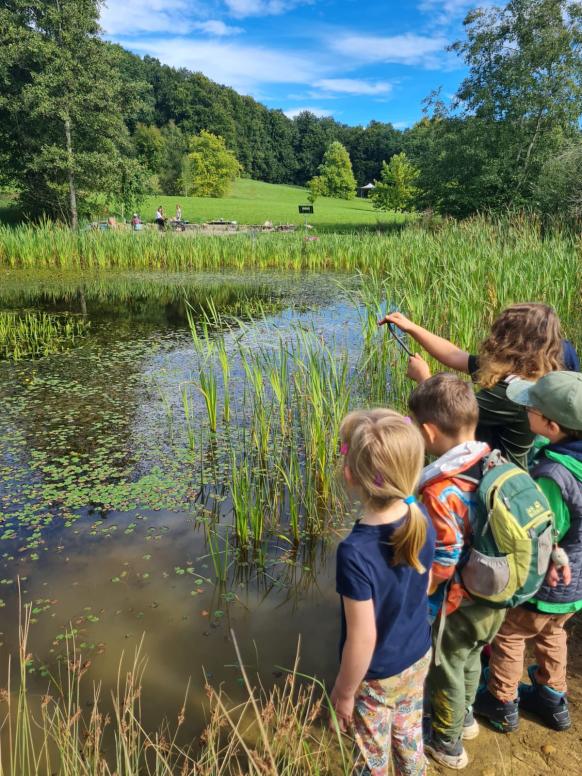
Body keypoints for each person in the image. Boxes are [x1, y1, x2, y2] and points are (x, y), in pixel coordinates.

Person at [474, 372, 582, 734]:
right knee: (553, 632)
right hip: (576, 586)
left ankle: (502, 701)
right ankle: (553, 699)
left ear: (552, 425)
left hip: (548, 582)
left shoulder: (554, 475)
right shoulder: (570, 461)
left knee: (510, 634)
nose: (525, 410)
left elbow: (543, 531)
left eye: (531, 408)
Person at [408, 374, 506, 770]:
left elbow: (446, 556)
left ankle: (447, 744)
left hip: (459, 601)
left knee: (446, 665)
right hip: (496, 590)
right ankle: (465, 719)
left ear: (429, 432)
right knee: (470, 657)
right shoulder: (492, 461)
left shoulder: (440, 489)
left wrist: (423, 591)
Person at [332, 409, 435, 776]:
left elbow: (362, 638)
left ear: (350, 475)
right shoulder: (421, 516)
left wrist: (345, 692)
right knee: (408, 734)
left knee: (371, 756)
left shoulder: (354, 552)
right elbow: (426, 583)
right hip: (418, 653)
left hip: (378, 674)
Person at [380, 304, 577, 470]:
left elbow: (450, 415)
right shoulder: (525, 371)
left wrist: (423, 377)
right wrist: (411, 327)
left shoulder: (512, 393)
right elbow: (455, 356)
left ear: (512, 341)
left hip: (492, 477)